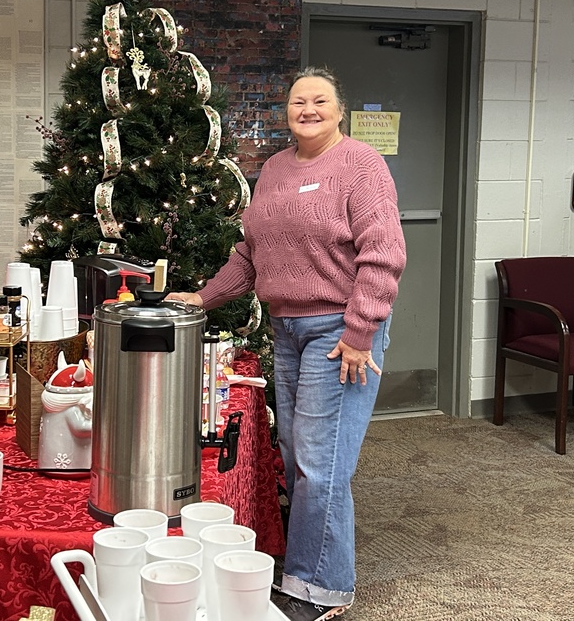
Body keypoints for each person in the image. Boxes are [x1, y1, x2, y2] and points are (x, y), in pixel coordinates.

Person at [169, 66, 406, 621]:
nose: (308, 110)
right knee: (300, 456)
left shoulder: (362, 166)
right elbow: (251, 256)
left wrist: (359, 332)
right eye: (299, 102)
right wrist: (200, 298)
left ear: (339, 110)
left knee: (322, 464)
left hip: (340, 333)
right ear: (287, 112)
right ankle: (309, 565)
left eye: (320, 100)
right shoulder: (273, 170)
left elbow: (384, 253)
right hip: (289, 331)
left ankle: (320, 589)